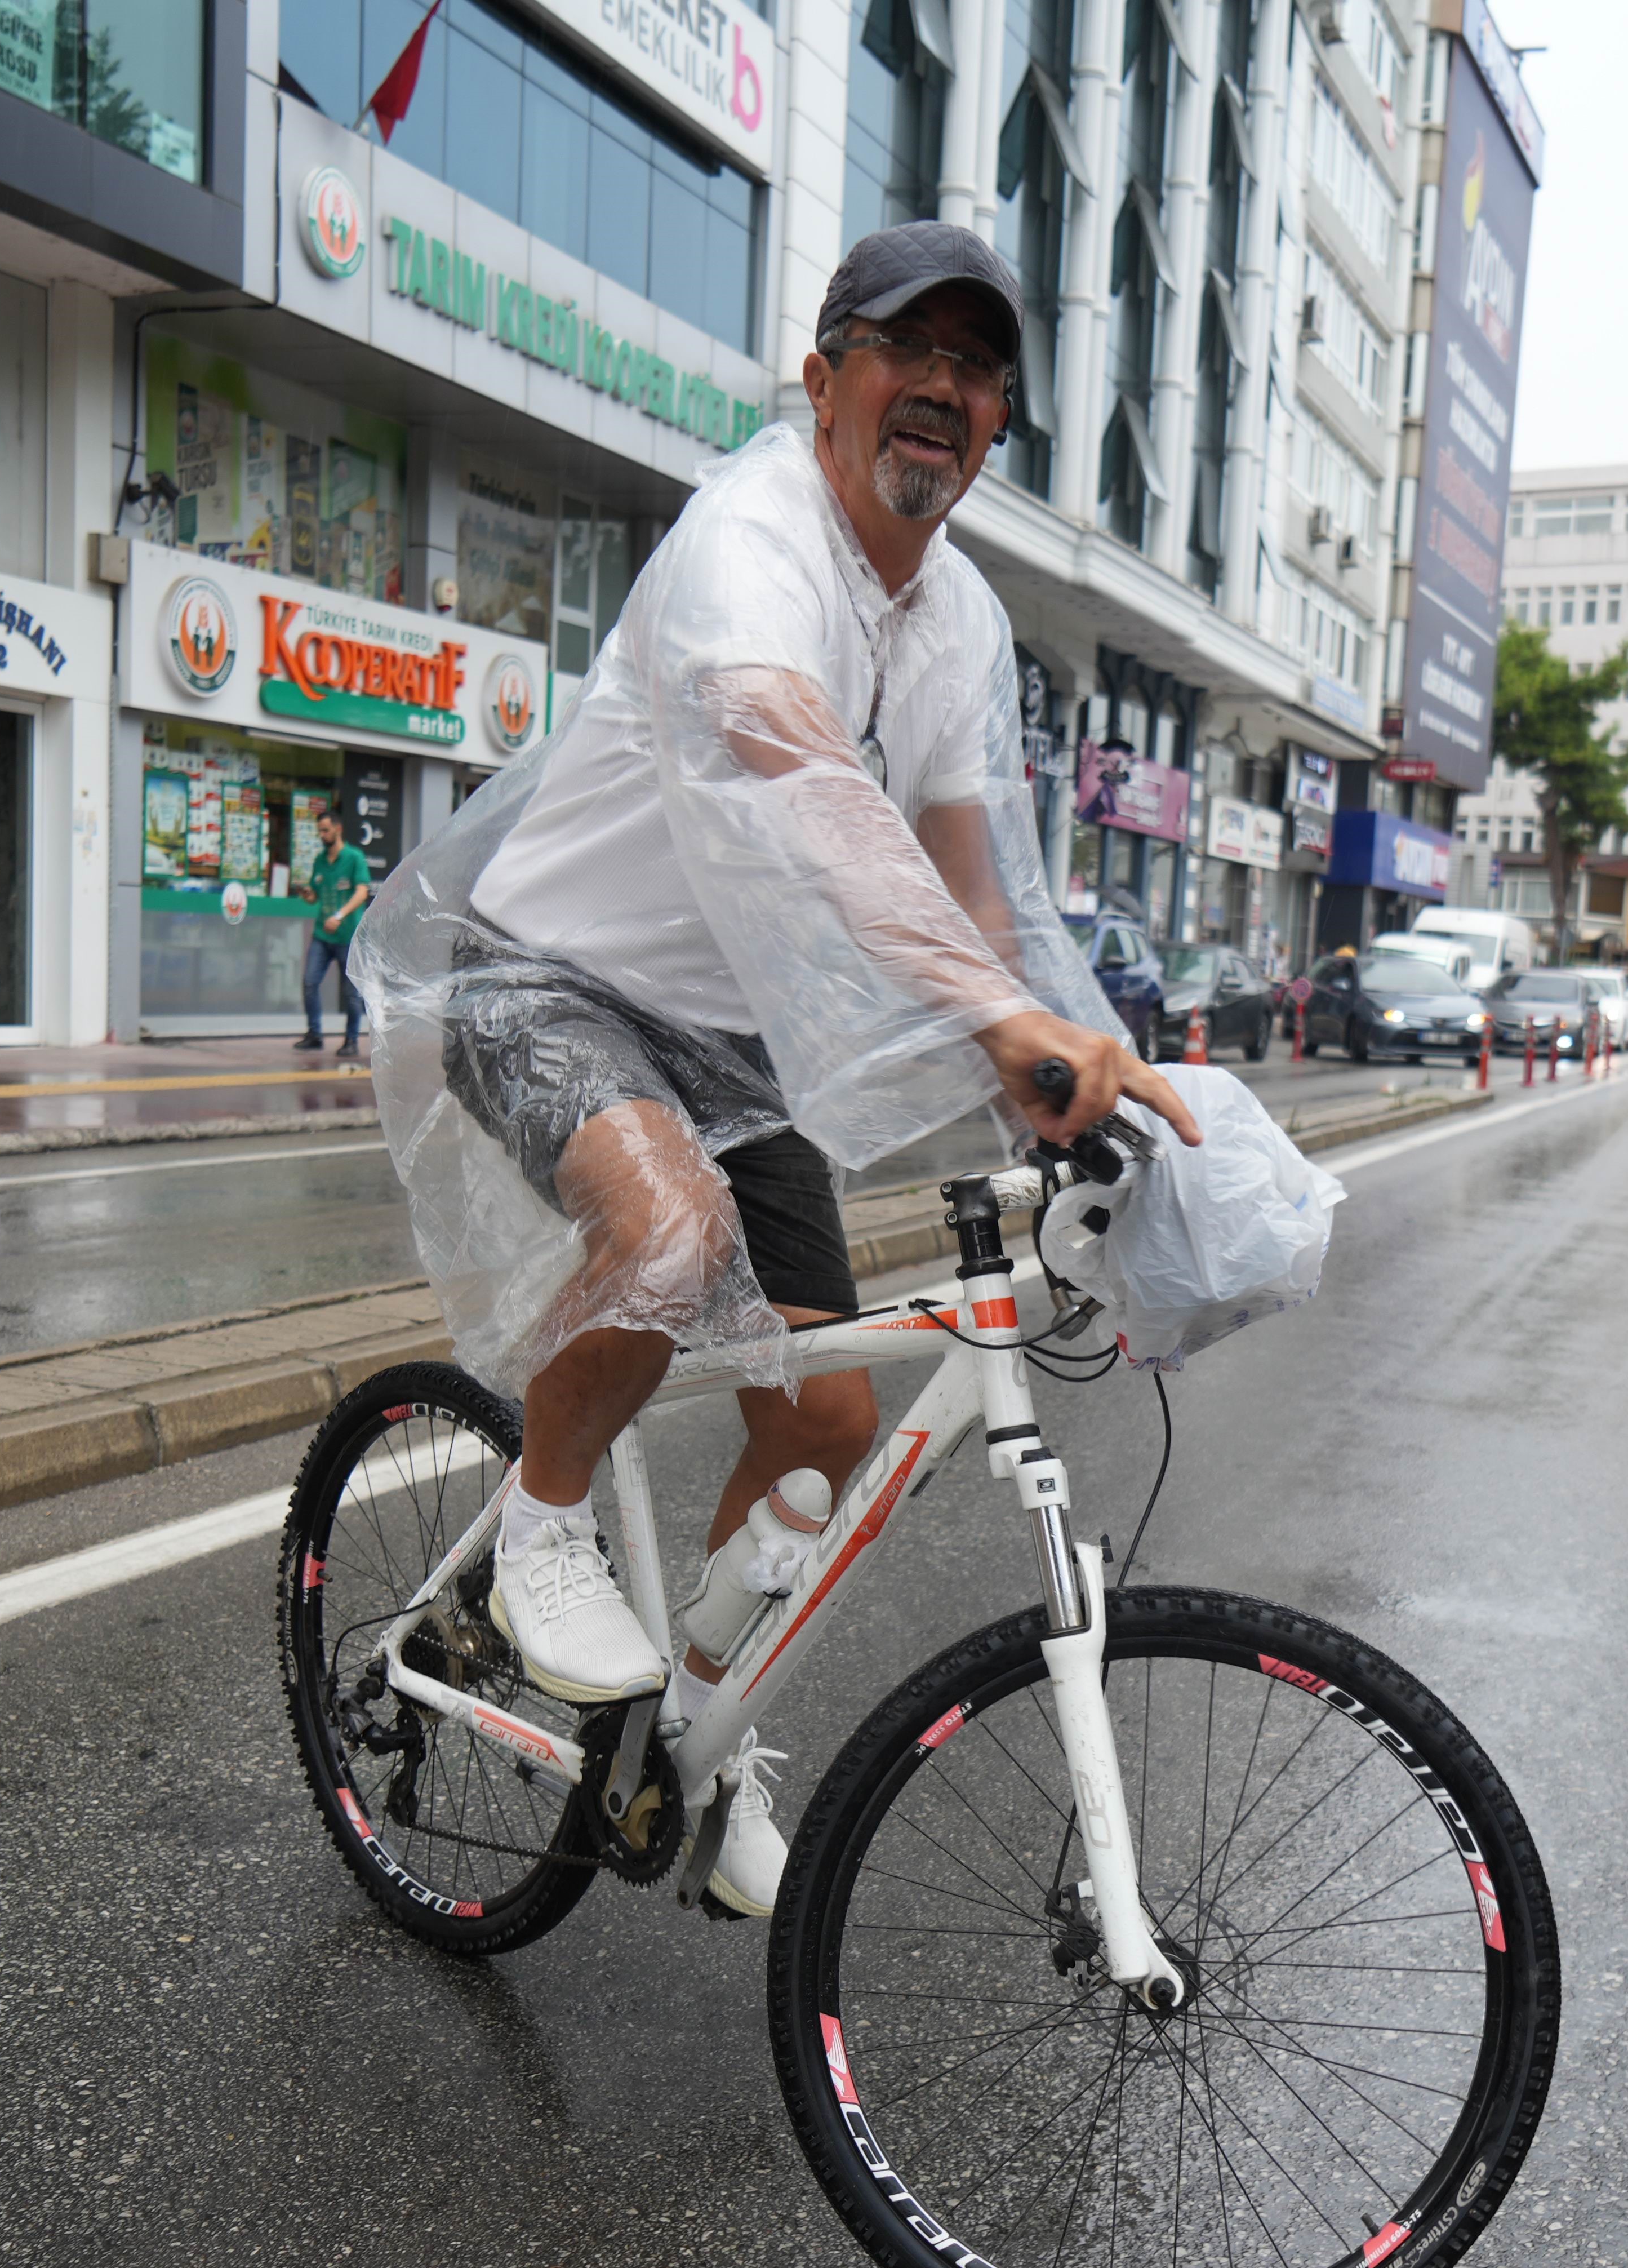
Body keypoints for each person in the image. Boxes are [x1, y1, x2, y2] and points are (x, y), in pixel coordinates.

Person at [384, 222, 1199, 1917]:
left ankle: (684, 1734)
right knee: (667, 1239)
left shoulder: (959, 620)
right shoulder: (747, 539)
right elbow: (802, 775)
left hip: (730, 1043)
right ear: (823, 376)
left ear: (993, 432)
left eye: (980, 376)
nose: (946, 396)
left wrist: (1073, 1078)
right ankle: (538, 1534)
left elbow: (991, 898)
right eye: (913, 355)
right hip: (546, 980)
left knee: (825, 1417)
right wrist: (993, 1023)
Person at [296, 800, 371, 1057]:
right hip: (322, 935)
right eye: (320, 831)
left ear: (338, 829)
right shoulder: (320, 860)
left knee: (351, 993)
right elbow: (314, 897)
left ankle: (351, 1041)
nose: (322, 836)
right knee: (309, 983)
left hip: (347, 936)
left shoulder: (354, 858)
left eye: (326, 831)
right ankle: (315, 1034)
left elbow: (362, 892)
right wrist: (306, 894)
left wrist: (339, 916)